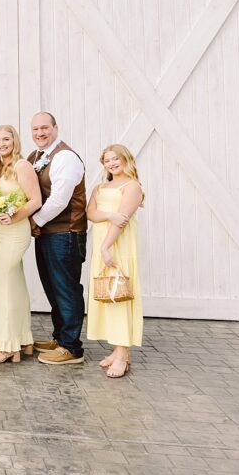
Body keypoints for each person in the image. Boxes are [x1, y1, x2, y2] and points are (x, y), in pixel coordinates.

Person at [27, 112, 89, 365]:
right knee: (52, 287)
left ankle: (71, 347)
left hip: (66, 232)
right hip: (47, 234)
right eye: (35, 129)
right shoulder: (36, 157)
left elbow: (59, 199)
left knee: (66, 288)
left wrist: (34, 221)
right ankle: (59, 337)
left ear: (55, 128)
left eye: (45, 128)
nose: (40, 133)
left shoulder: (65, 157)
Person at [0, 125, 42, 364]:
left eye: (6, 139)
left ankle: (6, 347)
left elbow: (36, 200)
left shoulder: (21, 165)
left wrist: (14, 216)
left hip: (16, 231)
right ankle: (23, 340)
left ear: (15, 140)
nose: (1, 144)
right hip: (1, 232)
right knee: (14, 283)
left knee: (0, 282)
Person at [86, 144, 144, 378]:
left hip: (117, 246)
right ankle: (119, 351)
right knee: (107, 295)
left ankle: (122, 356)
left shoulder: (132, 187)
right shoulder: (100, 187)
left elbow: (122, 220)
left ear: (125, 159)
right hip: (104, 246)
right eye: (107, 160)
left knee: (119, 296)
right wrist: (108, 214)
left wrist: (106, 246)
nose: (111, 163)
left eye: (114, 159)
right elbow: (90, 213)